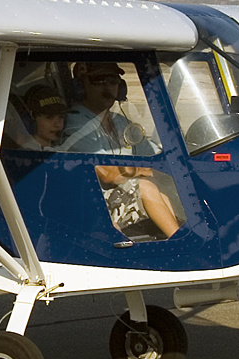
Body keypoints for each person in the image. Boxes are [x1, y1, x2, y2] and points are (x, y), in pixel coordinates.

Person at [62, 62, 182, 239]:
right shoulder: (74, 124)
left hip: (116, 197)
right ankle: (179, 242)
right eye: (98, 81)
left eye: (112, 81)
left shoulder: (120, 122)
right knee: (146, 186)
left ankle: (178, 236)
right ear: (81, 87)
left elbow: (153, 155)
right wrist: (142, 169)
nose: (108, 87)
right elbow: (107, 174)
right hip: (90, 202)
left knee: (162, 193)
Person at [17, 84, 70, 150]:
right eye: (49, 117)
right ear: (31, 119)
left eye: (61, 117)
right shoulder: (26, 154)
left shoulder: (60, 148)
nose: (57, 124)